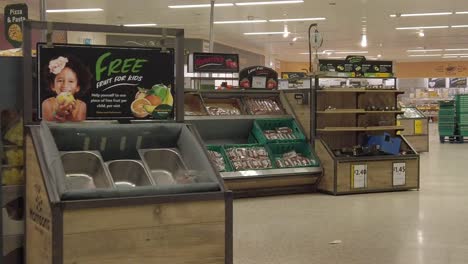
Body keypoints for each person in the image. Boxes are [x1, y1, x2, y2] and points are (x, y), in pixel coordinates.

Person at [41, 55, 92, 122]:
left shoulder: (81, 106)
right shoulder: (47, 103)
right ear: (52, 85)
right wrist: (58, 113)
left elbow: (77, 128)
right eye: (60, 80)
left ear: (78, 87)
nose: (65, 85)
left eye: (71, 81)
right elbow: (47, 125)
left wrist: (69, 112)